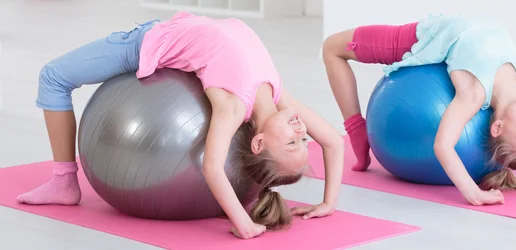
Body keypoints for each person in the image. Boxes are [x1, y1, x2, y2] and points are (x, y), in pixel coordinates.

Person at [19, 11, 344, 239]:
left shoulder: (232, 106)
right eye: (304, 142)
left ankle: (64, 182)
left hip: (145, 43)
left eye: (291, 142)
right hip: (174, 29)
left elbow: (213, 168)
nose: (302, 133)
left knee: (53, 77)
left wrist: (244, 224)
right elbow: (333, 141)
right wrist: (329, 203)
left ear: (258, 143)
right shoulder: (280, 96)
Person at [321, 14, 516, 205]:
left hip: (423, 38)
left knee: (332, 47)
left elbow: (442, 145)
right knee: (333, 47)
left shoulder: (474, 94)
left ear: (497, 127)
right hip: (453, 24)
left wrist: (473, 194)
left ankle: (356, 130)